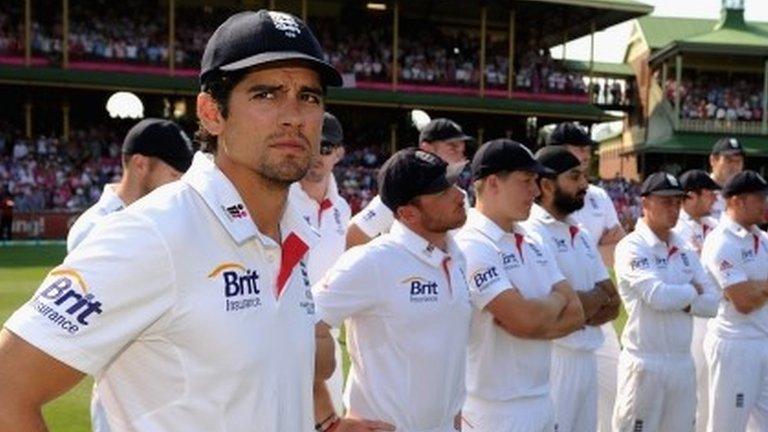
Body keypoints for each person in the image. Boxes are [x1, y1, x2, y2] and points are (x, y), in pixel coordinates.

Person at [0, 10, 390, 431]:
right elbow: (8, 388)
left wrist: (325, 423)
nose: (293, 114)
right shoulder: (153, 233)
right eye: (266, 94)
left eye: (309, 97)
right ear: (210, 112)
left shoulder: (293, 232)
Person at [314, 148, 471, 431]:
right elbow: (301, 323)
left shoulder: (456, 256)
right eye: (442, 192)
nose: (459, 195)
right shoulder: (374, 260)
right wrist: (328, 421)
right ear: (407, 213)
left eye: (454, 184)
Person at [455, 139, 584, 432]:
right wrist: (552, 306)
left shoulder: (533, 238)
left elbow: (576, 313)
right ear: (492, 184)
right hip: (492, 411)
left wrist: (534, 323)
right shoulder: (472, 245)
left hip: (540, 400)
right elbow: (524, 318)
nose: (536, 191)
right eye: (526, 181)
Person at [523, 146, 620, 432]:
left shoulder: (579, 230)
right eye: (575, 177)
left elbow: (613, 302)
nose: (584, 185)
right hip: (555, 360)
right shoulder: (532, 231)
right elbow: (554, 306)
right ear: (547, 184)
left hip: (587, 357)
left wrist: (579, 308)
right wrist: (585, 305)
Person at [612, 172, 718, 432]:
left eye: (677, 202)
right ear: (645, 203)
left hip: (681, 364)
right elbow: (657, 297)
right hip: (644, 364)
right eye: (666, 202)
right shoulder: (631, 246)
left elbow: (713, 303)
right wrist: (692, 291)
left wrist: (682, 297)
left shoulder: (685, 249)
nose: (674, 209)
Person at [547, 122, 625, 432]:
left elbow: (616, 246)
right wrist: (596, 248)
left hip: (598, 313)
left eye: (586, 150)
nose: (585, 156)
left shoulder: (597, 196)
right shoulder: (544, 208)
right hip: (560, 329)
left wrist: (593, 251)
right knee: (561, 409)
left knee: (614, 390)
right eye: (578, 149)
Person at [289, 111, 351, 412]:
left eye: (326, 148)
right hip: (283, 336)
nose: (317, 155)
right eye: (311, 144)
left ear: (339, 153)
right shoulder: (280, 199)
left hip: (326, 339)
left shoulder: (343, 209)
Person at [701, 170, 768, 432]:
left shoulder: (762, 239)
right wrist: (757, 290)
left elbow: (753, 293)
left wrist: (758, 288)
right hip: (735, 346)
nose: (765, 203)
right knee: (727, 426)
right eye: (760, 198)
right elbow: (743, 300)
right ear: (738, 201)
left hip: (761, 340)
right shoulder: (721, 242)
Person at [66, 118, 194, 252]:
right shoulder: (93, 230)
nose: (180, 184)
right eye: (173, 175)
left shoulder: (171, 219)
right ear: (140, 164)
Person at [346, 118, 472, 248]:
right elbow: (353, 234)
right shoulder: (404, 194)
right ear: (426, 148)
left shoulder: (460, 195)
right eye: (452, 147)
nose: (459, 154)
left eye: (462, 149)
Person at [672, 169, 722, 432]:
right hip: (689, 317)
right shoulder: (674, 227)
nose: (715, 199)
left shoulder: (715, 225)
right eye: (709, 194)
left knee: (709, 386)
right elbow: (682, 275)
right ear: (690, 196)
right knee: (688, 383)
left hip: (715, 313)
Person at [708, 137, 745, 220]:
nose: (734, 166)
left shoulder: (746, 195)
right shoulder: (699, 191)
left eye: (738, 161)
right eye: (729, 160)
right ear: (713, 160)